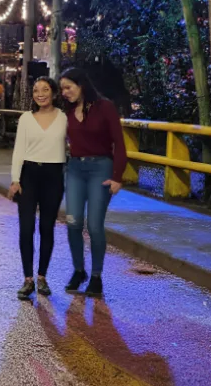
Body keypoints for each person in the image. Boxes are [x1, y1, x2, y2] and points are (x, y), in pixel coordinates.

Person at [59, 68, 127, 298]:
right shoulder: (66, 112)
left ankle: (96, 276)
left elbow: (119, 142)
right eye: (62, 89)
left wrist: (118, 176)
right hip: (76, 169)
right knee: (72, 222)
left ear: (82, 85)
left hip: (101, 168)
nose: (65, 92)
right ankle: (79, 271)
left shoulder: (104, 107)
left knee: (95, 225)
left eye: (68, 87)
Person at [8, 77, 67, 300]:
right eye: (36, 90)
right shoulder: (26, 119)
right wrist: (15, 179)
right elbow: (18, 150)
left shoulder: (64, 118)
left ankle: (42, 276)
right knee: (26, 228)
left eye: (45, 90)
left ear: (53, 93)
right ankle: (27, 280)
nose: (40, 94)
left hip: (54, 176)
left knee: (47, 228)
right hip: (29, 175)